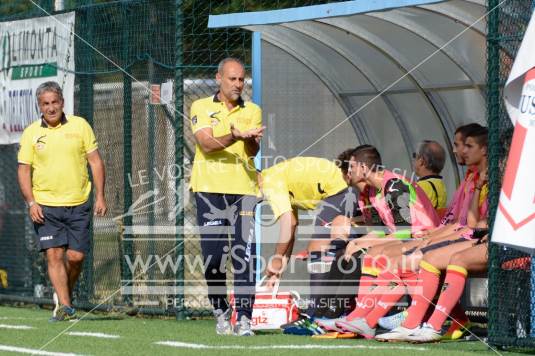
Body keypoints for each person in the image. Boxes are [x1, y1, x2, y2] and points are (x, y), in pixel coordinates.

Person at [17, 81, 107, 322]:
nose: (51, 107)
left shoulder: (80, 126)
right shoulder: (31, 133)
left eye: (54, 102)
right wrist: (31, 203)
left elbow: (95, 162)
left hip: (78, 203)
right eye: (45, 103)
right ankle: (66, 306)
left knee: (76, 257)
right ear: (39, 106)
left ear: (62, 103)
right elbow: (24, 170)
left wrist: (100, 195)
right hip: (45, 206)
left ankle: (63, 293)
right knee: (54, 255)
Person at [190, 57, 264, 336]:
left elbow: (252, 153)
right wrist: (234, 135)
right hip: (209, 191)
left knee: (244, 255)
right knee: (214, 258)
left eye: (241, 79)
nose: (237, 84)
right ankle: (221, 309)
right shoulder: (201, 106)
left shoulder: (253, 110)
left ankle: (244, 317)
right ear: (218, 78)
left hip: (244, 192)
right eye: (232, 78)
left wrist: (250, 140)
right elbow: (207, 145)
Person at [260, 153, 360, 331]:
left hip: (341, 190)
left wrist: (275, 259)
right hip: (345, 189)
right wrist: (279, 268)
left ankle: (315, 316)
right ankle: (337, 311)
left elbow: (288, 224)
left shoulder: (269, 182)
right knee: (339, 250)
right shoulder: (275, 176)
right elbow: (293, 224)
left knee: (318, 249)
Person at [413, 140, 447, 218]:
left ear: (422, 161)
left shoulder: (421, 186)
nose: (414, 160)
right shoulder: (440, 184)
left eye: (415, 156)